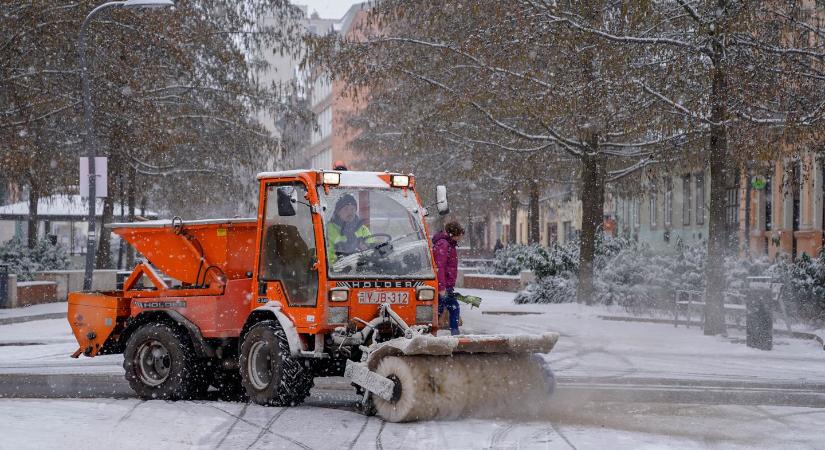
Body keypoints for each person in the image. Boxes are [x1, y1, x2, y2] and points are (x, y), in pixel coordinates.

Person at [433, 221, 464, 335]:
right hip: (443, 286)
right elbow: (439, 267)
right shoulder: (444, 244)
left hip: (446, 286)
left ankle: (431, 332)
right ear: (454, 233)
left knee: (441, 310)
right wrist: (441, 287)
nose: (460, 237)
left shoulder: (449, 244)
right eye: (459, 234)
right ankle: (454, 333)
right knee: (452, 308)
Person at [326, 193, 373, 263]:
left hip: (362, 268)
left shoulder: (363, 229)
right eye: (346, 209)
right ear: (338, 212)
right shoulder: (328, 230)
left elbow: (373, 248)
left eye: (352, 209)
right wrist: (342, 257)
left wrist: (367, 249)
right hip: (337, 271)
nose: (350, 212)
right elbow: (326, 257)